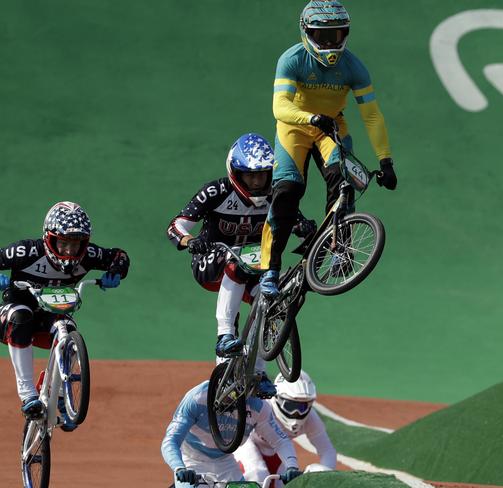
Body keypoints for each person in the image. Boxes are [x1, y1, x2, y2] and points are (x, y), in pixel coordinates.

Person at [259, 0, 398, 296]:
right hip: (295, 127)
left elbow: (371, 114)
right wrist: (310, 117)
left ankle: (338, 247)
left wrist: (385, 161)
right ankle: (269, 269)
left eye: (336, 35)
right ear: (306, 34)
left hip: (331, 126)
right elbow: (279, 107)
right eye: (322, 37)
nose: (330, 43)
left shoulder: (354, 67)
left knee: (343, 182)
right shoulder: (292, 59)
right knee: (287, 191)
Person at [166, 133, 315, 398]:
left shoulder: (276, 194)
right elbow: (176, 225)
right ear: (236, 172)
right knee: (236, 265)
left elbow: (295, 223)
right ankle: (224, 335)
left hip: (256, 268)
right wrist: (190, 241)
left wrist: (304, 227)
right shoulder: (216, 192)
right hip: (211, 261)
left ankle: (257, 372)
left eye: (262, 175)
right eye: (250, 175)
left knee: (270, 303)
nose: (257, 182)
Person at [0, 201, 129, 427]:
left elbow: (120, 256)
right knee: (21, 315)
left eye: (76, 245)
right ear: (49, 239)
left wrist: (116, 272)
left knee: (68, 330)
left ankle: (58, 393)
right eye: (63, 244)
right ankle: (28, 393)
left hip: (51, 315)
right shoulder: (25, 251)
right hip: (13, 316)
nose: (69, 252)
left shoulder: (90, 254)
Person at [161, 380, 302, 487]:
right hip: (191, 462)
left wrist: (292, 465)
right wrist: (179, 467)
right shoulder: (197, 398)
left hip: (225, 463)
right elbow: (171, 440)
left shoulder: (258, 406)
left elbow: (280, 441)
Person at [234, 371, 336, 486]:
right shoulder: (265, 407)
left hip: (278, 448)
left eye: (302, 407)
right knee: (257, 475)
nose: (296, 413)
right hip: (248, 440)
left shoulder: (311, 418)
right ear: (277, 398)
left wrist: (325, 478)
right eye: (291, 406)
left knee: (285, 484)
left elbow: (327, 451)